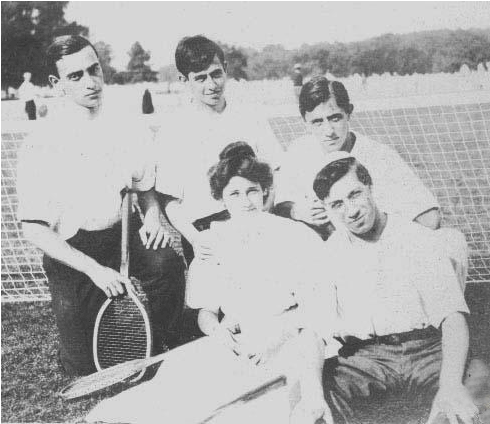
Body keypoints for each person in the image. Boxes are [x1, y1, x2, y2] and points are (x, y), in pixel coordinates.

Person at [87, 142, 335, 424]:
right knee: (178, 379)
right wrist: (217, 330)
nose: (246, 201)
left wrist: (277, 338)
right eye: (235, 193)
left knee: (260, 406)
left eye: (252, 190)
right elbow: (207, 312)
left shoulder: (295, 236)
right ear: (222, 199)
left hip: (294, 339)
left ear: (265, 191)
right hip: (238, 341)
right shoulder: (212, 242)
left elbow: (316, 311)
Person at [16, 35, 186, 376]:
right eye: (76, 76)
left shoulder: (125, 124)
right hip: (73, 250)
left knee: (166, 263)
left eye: (94, 70)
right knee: (82, 367)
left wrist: (152, 217)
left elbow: (145, 190)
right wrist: (93, 270)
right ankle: (88, 345)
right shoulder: (41, 144)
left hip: (122, 232)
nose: (91, 83)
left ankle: (158, 336)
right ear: (56, 83)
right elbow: (34, 229)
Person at [304, 157, 478, 424]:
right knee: (309, 402)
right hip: (365, 361)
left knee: (472, 392)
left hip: (426, 352)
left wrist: (451, 385)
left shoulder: (417, 238)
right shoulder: (329, 254)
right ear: (326, 208)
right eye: (337, 204)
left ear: (370, 188)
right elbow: (313, 333)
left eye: (354, 195)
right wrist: (311, 396)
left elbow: (453, 318)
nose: (351, 212)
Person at [274, 76, 468, 291]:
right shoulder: (299, 151)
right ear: (304, 121)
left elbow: (430, 216)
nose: (328, 131)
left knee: (452, 242)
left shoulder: (379, 155)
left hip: (384, 249)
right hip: (334, 254)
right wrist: (298, 211)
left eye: (335, 118)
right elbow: (279, 205)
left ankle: (440, 317)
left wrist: (385, 238)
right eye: (317, 122)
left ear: (349, 113)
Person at [154, 35, 284, 267]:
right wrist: (195, 239)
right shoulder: (173, 130)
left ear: (225, 69)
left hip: (256, 219)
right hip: (206, 231)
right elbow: (169, 200)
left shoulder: (250, 116)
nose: (211, 85)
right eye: (200, 78)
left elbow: (275, 173)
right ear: (184, 80)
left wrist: (264, 215)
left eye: (216, 74)